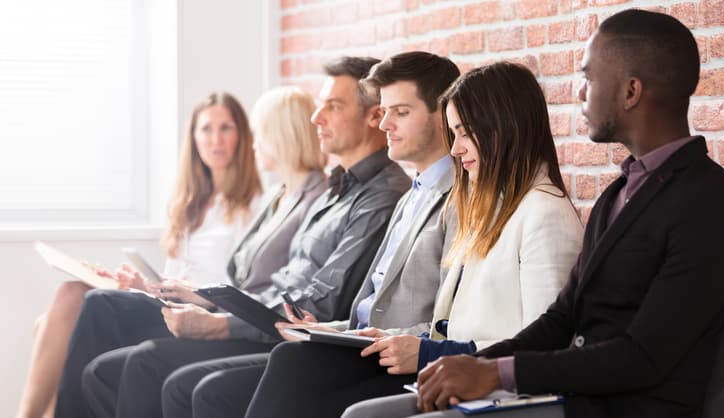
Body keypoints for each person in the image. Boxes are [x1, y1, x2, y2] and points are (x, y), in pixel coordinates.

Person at [348, 9, 724, 418]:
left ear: (630, 92)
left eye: (589, 78)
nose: (579, 92)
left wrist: (496, 373)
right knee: (368, 414)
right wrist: (470, 365)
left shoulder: (711, 203)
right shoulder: (619, 194)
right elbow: (560, 319)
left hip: (624, 408)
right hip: (577, 399)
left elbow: (644, 356)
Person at [54, 56, 412, 418]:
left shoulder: (377, 194)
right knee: (104, 342)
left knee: (140, 355)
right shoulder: (337, 188)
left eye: (332, 106)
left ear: (372, 116)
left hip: (287, 334)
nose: (316, 118)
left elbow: (320, 303)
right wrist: (205, 299)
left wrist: (219, 321)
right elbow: (281, 286)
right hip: (264, 318)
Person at [247, 60, 584, 418]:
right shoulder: (491, 211)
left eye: (466, 134)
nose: (455, 150)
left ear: (505, 129)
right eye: (455, 134)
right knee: (297, 366)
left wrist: (428, 353)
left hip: (494, 393)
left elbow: (545, 349)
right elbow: (448, 323)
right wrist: (402, 341)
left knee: (329, 396)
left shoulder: (545, 214)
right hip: (453, 373)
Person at [159, 51, 461, 418]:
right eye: (386, 111)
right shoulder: (408, 193)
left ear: (442, 114)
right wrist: (323, 329)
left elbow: (442, 318)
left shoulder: (428, 195)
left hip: (384, 354)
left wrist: (226, 320)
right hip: (343, 338)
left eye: (400, 112)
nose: (386, 125)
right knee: (187, 374)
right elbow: (362, 305)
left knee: (208, 383)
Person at [15, 91, 263, 418]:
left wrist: (174, 294)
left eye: (226, 128)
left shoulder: (254, 205)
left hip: (200, 311)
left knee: (70, 303)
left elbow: (240, 287)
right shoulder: (189, 205)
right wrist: (138, 285)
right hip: (168, 300)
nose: (215, 139)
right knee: (61, 304)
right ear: (193, 138)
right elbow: (169, 279)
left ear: (242, 136)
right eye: (206, 129)